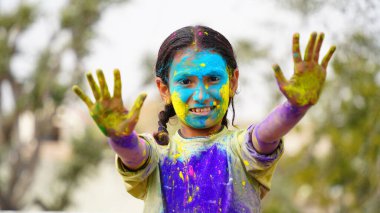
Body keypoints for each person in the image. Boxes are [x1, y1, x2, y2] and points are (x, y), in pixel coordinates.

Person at [72, 25, 335, 212]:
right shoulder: (157, 153)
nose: (200, 94)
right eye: (186, 81)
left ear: (233, 82)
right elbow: (133, 156)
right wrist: (120, 136)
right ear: (164, 90)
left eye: (212, 79)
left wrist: (294, 109)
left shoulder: (240, 150)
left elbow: (266, 135)